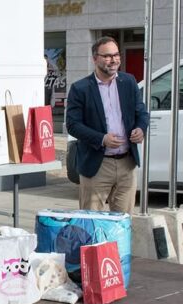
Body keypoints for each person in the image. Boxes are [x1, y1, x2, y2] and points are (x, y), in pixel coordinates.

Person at [65, 36, 149, 214]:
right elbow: (72, 125)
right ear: (95, 58)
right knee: (91, 221)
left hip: (127, 163)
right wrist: (101, 139)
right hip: (97, 165)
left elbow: (141, 112)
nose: (114, 60)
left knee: (123, 222)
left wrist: (141, 129)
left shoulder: (129, 82)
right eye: (108, 56)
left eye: (116, 55)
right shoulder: (80, 88)